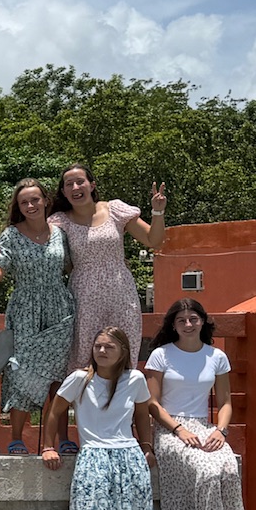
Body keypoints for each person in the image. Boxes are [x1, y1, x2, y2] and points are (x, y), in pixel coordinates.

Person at [41, 326, 161, 510]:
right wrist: (48, 446)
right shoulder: (80, 379)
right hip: (93, 456)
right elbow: (55, 410)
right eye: (98, 346)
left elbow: (142, 415)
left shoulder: (134, 379)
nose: (102, 351)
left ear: (123, 351)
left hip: (129, 457)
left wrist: (147, 448)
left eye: (109, 347)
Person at [0, 179, 75, 453]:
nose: (30, 205)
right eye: (24, 202)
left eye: (35, 199)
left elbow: (71, 267)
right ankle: (17, 438)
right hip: (25, 309)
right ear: (18, 207)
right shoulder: (10, 235)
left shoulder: (61, 233)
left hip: (59, 308)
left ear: (45, 201)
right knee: (22, 371)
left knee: (58, 376)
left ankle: (61, 440)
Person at [145, 298, 248, 510]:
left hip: (205, 427)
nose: (188, 324)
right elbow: (152, 404)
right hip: (170, 428)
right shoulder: (161, 355)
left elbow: (225, 402)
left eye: (193, 319)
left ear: (203, 321)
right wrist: (178, 429)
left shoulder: (216, 357)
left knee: (227, 469)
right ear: (173, 325)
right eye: (181, 320)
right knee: (207, 470)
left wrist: (220, 430)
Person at [48, 162, 167, 378]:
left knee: (122, 349)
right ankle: (84, 410)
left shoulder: (114, 210)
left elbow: (153, 240)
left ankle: (124, 408)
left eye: (80, 182)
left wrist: (157, 211)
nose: (75, 187)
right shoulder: (59, 222)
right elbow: (41, 247)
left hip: (121, 293)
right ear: (64, 191)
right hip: (83, 296)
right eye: (69, 184)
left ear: (91, 185)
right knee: (85, 356)